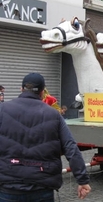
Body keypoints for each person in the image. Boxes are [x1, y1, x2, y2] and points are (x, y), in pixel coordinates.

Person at [0, 73, 91, 201]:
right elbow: (71, 148)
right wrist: (82, 180)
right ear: (42, 92)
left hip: (8, 187)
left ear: (21, 89)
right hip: (42, 187)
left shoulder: (2, 110)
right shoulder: (54, 115)